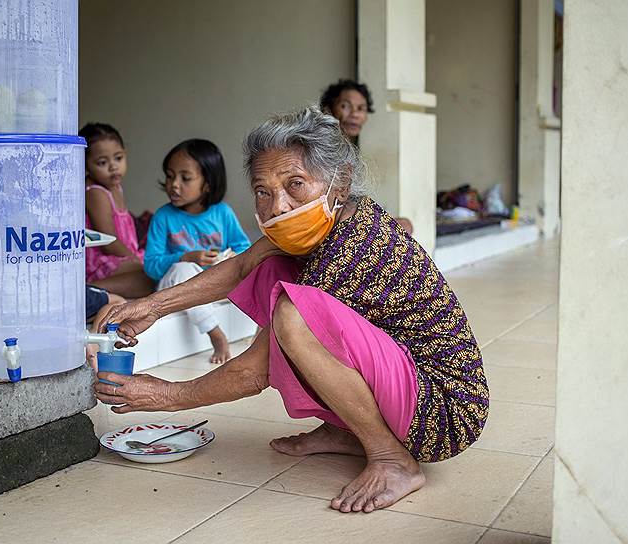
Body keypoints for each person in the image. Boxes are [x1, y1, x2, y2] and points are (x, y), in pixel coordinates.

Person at [95, 107, 488, 514]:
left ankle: (392, 458)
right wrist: (153, 306)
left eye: (295, 184)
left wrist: (167, 395)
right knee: (270, 268)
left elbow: (255, 370)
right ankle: (347, 429)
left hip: (443, 412)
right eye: (263, 191)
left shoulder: (353, 249)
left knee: (293, 317)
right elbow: (244, 265)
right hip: (408, 382)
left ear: (340, 183)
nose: (278, 206)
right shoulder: (330, 220)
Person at [144, 139, 251, 364]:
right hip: (175, 288)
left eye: (185, 178)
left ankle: (264, 338)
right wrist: (185, 256)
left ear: (208, 184)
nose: (174, 184)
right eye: (170, 175)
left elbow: (244, 248)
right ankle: (216, 335)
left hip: (213, 288)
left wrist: (230, 258)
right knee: (184, 270)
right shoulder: (163, 216)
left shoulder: (222, 213)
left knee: (263, 270)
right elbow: (151, 265)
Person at [320, 79, 414, 234]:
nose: (355, 114)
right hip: (325, 226)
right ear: (328, 110)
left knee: (405, 225)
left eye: (361, 108)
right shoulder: (321, 148)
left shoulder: (350, 150)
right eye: (345, 106)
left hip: (346, 222)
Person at [79, 123, 154, 298]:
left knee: (155, 271)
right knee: (150, 277)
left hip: (121, 257)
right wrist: (136, 259)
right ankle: (87, 290)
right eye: (102, 162)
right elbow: (109, 243)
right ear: (86, 165)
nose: (113, 166)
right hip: (99, 263)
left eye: (118, 158)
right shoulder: (96, 192)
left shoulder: (116, 187)